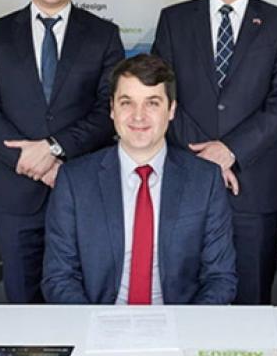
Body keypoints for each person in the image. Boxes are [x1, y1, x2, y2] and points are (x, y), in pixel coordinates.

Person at [0, 0, 124, 303]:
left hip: (83, 192)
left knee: (86, 303)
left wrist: (54, 149)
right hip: (17, 195)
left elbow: (110, 110)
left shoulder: (103, 35)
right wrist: (29, 160)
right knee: (23, 305)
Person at [152, 0, 277, 304]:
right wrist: (205, 157)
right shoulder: (174, 19)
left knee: (251, 297)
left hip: (253, 186)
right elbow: (161, 96)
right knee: (184, 294)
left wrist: (230, 150)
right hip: (186, 179)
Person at [42, 54, 237, 304]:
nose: (138, 116)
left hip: (179, 326)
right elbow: (59, 277)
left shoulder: (205, 181)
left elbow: (220, 279)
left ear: (172, 109)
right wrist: (97, 328)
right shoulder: (74, 181)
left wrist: (186, 331)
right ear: (112, 109)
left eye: (152, 103)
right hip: (98, 326)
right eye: (127, 103)